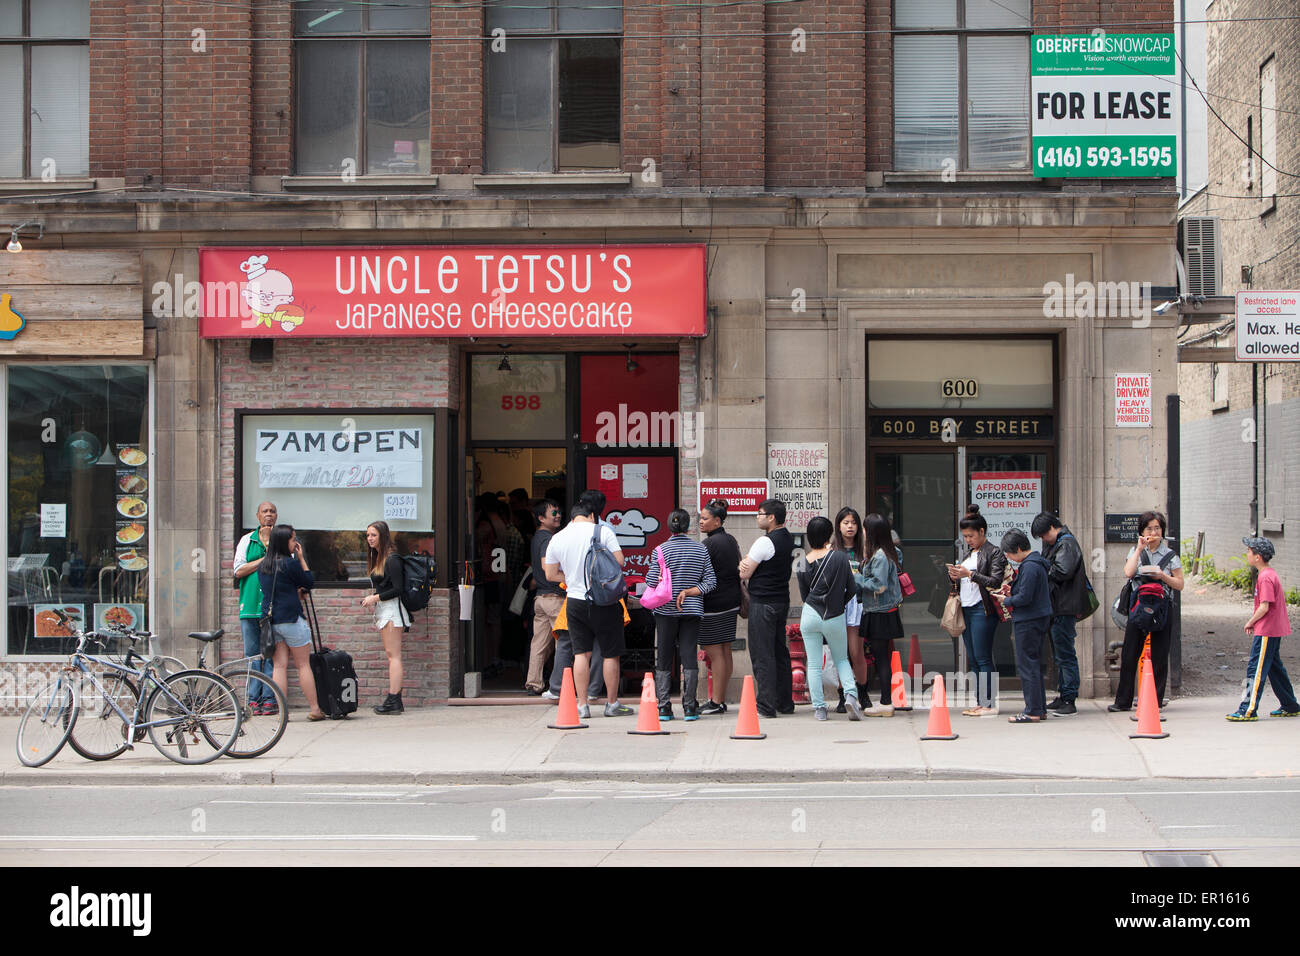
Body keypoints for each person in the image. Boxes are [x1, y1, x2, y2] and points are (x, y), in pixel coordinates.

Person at [542, 501, 634, 718]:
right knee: (611, 653)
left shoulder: (558, 537)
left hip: (574, 601)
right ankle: (612, 704)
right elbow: (619, 562)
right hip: (604, 601)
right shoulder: (602, 531)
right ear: (592, 515)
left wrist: (574, 579)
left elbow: (550, 574)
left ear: (572, 518)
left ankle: (582, 705)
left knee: (580, 653)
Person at [643, 509, 716, 721]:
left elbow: (650, 582)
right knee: (689, 657)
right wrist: (689, 591)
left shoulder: (660, 551)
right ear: (688, 526)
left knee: (664, 657)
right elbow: (710, 582)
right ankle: (690, 707)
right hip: (692, 610)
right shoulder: (700, 550)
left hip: (665, 611)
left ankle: (664, 707)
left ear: (669, 525)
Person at [1108, 511, 1184, 713]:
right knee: (1130, 654)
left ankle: (1155, 701)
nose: (1154, 532)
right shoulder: (1136, 551)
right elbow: (1128, 572)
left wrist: (1163, 577)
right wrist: (1140, 548)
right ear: (1141, 531)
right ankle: (1122, 701)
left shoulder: (1171, 556)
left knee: (1160, 655)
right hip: (1139, 607)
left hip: (1162, 608)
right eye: (1149, 528)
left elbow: (1180, 584)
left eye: (1157, 528)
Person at [797, 516, 861, 721]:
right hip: (834, 614)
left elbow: (804, 595)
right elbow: (852, 589)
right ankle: (851, 695)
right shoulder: (840, 557)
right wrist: (837, 603)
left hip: (810, 614)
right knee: (842, 658)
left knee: (814, 664)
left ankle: (820, 708)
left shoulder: (800, 561)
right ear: (829, 535)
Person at [258, 524, 325, 721]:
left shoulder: (263, 566)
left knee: (279, 666)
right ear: (283, 541)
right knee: (303, 665)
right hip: (292, 619)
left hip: (272, 622)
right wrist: (302, 558)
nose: (295, 543)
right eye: (292, 539)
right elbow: (308, 581)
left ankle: (282, 713)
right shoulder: (290, 563)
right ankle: (314, 709)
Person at [1227, 537, 1298, 721]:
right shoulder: (1270, 574)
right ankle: (1290, 704)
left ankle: (1247, 709)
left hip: (1266, 630)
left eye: (1249, 551)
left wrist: (1250, 621)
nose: (1247, 554)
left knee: (1255, 669)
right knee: (1274, 668)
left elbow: (1264, 606)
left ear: (1257, 556)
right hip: (1273, 629)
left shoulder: (1265, 578)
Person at [946, 504, 1006, 717]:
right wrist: (954, 575)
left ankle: (989, 703)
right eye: (965, 536)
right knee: (973, 657)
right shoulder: (968, 553)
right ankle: (980, 701)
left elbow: (995, 581)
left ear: (982, 532)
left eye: (971, 535)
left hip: (983, 608)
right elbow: (964, 579)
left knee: (983, 657)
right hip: (967, 607)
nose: (968, 540)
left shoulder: (994, 552)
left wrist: (969, 574)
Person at [738, 498, 795, 718]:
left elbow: (744, 572)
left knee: (763, 654)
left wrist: (744, 562)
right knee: (780, 651)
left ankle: (765, 704)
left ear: (771, 517)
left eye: (760, 513)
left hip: (763, 603)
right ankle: (785, 702)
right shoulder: (787, 537)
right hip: (781, 601)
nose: (757, 516)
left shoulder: (765, 542)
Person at [1031, 511, 1087, 717]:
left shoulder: (1066, 544)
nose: (1044, 540)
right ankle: (1063, 695)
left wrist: (1041, 568)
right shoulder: (1057, 544)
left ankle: (1069, 698)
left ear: (1052, 529)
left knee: (1065, 654)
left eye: (1044, 536)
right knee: (1059, 654)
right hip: (1057, 607)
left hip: (1064, 607)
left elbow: (1062, 571)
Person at [997, 529, 1053, 723]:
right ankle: (1039, 708)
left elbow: (1026, 597)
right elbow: (1029, 591)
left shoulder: (1030, 566)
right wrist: (1012, 590)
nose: (1009, 557)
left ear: (1019, 548)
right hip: (1037, 618)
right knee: (1033, 664)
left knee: (1027, 665)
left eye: (1010, 553)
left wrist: (1007, 599)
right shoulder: (1036, 564)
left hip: (1028, 620)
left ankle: (1033, 711)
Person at [856, 513, 904, 716]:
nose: (863, 532)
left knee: (881, 658)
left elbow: (879, 585)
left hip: (879, 611)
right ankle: (886, 700)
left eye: (865, 529)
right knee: (881, 657)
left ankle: (886, 701)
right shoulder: (887, 552)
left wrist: (856, 578)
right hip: (881, 611)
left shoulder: (881, 556)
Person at [233, 500, 278, 715]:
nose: (269, 515)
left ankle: (269, 698)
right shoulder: (246, 540)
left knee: (271, 654)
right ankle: (253, 699)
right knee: (252, 655)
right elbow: (238, 571)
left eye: (272, 511)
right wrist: (264, 559)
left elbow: (287, 567)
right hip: (249, 607)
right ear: (258, 516)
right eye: (265, 511)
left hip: (273, 608)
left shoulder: (281, 541)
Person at [698, 498, 741, 716]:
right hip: (731, 602)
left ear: (717, 520)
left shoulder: (709, 545)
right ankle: (720, 699)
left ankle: (716, 701)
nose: (700, 522)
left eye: (705, 518)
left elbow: (700, 574)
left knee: (716, 653)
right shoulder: (730, 540)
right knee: (725, 651)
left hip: (713, 605)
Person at [361, 520, 410, 715]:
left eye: (373, 535)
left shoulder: (392, 559)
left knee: (394, 656)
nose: (369, 539)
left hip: (391, 611)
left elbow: (398, 588)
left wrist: (374, 597)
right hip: (385, 610)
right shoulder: (381, 558)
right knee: (392, 656)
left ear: (383, 536)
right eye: (367, 535)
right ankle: (394, 698)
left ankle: (394, 699)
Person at [525, 499, 564, 695]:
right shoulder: (547, 539)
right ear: (541, 518)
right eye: (553, 512)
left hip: (540, 598)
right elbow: (545, 566)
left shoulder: (536, 538)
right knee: (564, 643)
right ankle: (562, 685)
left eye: (558, 511)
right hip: (553, 598)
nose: (558, 515)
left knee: (539, 644)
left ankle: (534, 683)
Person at [831, 507, 868, 713]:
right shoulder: (832, 549)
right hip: (838, 605)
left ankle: (862, 692)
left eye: (853, 523)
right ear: (838, 526)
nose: (850, 527)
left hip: (858, 605)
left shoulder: (865, 550)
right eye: (845, 523)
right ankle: (842, 695)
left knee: (856, 652)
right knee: (840, 653)